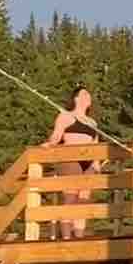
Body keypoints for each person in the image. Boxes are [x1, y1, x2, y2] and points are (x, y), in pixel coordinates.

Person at [43, 89, 98, 241]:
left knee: (84, 200)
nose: (88, 96)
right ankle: (67, 237)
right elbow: (57, 135)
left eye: (89, 94)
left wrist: (96, 164)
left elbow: (95, 144)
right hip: (71, 159)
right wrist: (50, 143)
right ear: (76, 98)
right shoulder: (66, 116)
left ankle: (79, 236)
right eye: (84, 94)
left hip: (88, 162)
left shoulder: (92, 122)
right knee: (71, 198)